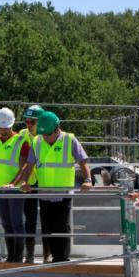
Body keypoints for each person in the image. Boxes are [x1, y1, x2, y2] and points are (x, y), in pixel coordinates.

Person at [17, 111, 92, 263]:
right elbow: (29, 165)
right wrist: (24, 182)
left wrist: (88, 180)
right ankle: (51, 258)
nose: (45, 137)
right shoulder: (37, 141)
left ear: (57, 129)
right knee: (47, 227)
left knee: (61, 226)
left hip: (63, 193)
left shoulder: (69, 140)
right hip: (44, 193)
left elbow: (83, 162)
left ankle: (62, 259)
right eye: (43, 134)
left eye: (48, 134)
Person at [0, 107, 29, 263]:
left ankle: (18, 258)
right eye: (0, 127)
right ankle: (11, 257)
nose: (2, 130)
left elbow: (25, 167)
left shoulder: (21, 142)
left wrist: (12, 184)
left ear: (11, 125)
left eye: (5, 127)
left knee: (17, 223)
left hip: (15, 190)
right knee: (6, 223)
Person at [20, 104, 44, 263]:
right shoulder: (22, 135)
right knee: (29, 219)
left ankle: (49, 254)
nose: (28, 125)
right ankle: (29, 254)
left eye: (32, 122)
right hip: (28, 184)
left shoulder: (46, 136)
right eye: (26, 122)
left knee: (49, 219)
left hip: (46, 182)